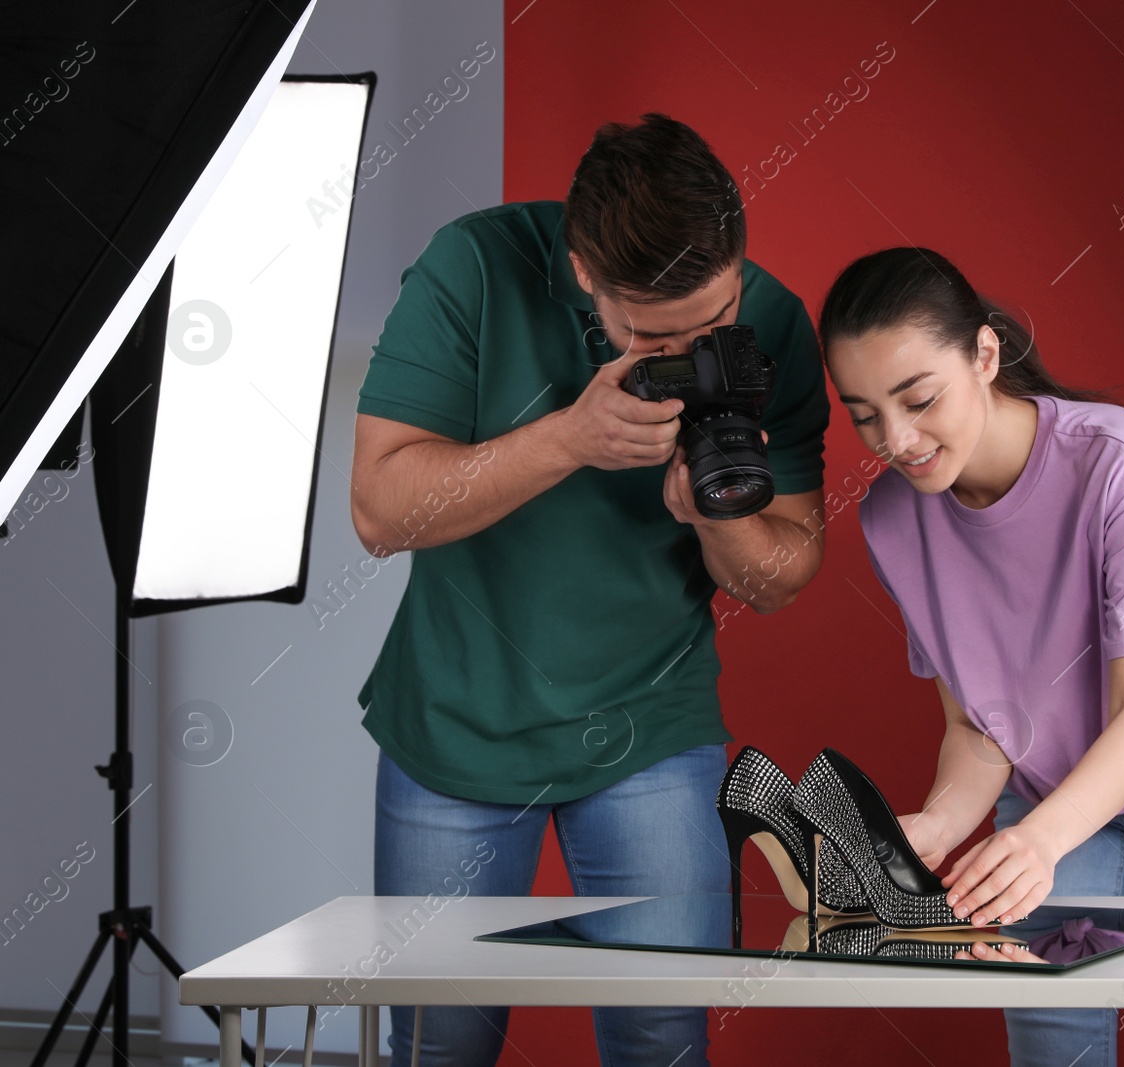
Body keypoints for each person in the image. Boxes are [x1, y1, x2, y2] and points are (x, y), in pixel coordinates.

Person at [349, 113, 831, 1067]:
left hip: (651, 721)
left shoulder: (771, 320)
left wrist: (716, 515)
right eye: (656, 335)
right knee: (435, 1046)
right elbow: (379, 511)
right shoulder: (475, 268)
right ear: (583, 274)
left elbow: (782, 578)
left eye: (713, 321)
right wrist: (567, 440)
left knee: (662, 1036)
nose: (692, 348)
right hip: (457, 719)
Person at [815, 246, 1124, 1066]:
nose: (896, 439)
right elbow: (977, 730)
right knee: (1050, 1039)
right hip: (1051, 787)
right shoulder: (891, 520)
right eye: (865, 415)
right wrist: (936, 822)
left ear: (985, 354)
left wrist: (1038, 842)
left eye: (919, 398)